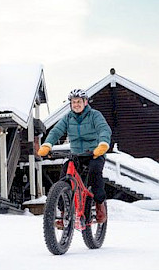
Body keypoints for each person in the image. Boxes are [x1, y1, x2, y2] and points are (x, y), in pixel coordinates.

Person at [37, 88, 111, 223]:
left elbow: (103, 129)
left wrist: (103, 144)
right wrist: (47, 144)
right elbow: (56, 131)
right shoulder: (68, 118)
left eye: (79, 101)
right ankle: (64, 211)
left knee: (95, 172)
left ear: (85, 102)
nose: (76, 104)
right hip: (77, 155)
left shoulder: (95, 115)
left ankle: (100, 205)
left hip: (95, 153)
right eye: (73, 102)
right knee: (64, 176)